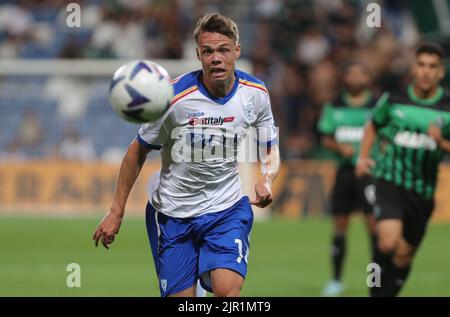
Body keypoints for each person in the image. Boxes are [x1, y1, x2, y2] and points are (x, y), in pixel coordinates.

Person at [93, 13, 280, 297]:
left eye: (223, 50)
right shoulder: (173, 98)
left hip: (226, 210)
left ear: (237, 51)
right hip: (174, 215)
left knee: (229, 293)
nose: (215, 58)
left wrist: (267, 178)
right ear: (198, 55)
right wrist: (116, 211)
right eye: (208, 51)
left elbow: (270, 147)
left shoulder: (255, 94)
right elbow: (137, 150)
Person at [356, 43, 450, 297]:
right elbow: (373, 125)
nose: (426, 72)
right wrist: (363, 157)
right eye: (421, 65)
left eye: (432, 67)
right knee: (387, 241)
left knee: (403, 257)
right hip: (390, 181)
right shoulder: (394, 99)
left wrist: (441, 142)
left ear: (441, 72)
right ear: (413, 68)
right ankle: (374, 290)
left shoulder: (447, 108)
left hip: (422, 191)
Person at [318, 61, 378, 296]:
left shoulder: (376, 105)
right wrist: (339, 148)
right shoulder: (334, 104)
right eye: (350, 73)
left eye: (359, 73)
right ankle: (336, 280)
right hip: (344, 173)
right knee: (340, 226)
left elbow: (384, 135)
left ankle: (376, 280)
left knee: (374, 228)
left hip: (369, 173)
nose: (353, 77)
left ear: (367, 78)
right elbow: (325, 137)